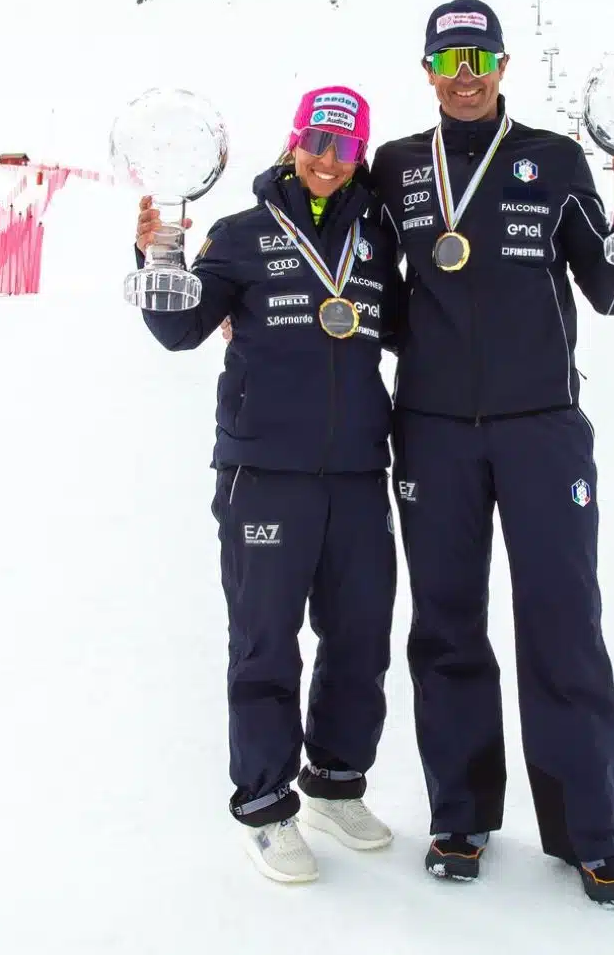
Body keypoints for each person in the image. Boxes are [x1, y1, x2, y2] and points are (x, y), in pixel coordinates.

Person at [365, 0, 614, 907]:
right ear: (427, 70)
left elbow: (606, 288)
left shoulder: (555, 158)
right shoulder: (394, 166)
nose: (464, 78)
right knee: (446, 625)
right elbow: (358, 270)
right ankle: (460, 815)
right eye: (447, 61)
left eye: (479, 60)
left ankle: (590, 834)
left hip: (542, 426)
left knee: (562, 624)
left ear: (503, 66)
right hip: (431, 430)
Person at [135, 85, 406, 885]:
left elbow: (415, 328)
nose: (327, 159)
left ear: (359, 155)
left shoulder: (378, 239)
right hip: (265, 473)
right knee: (265, 642)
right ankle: (264, 806)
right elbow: (181, 328)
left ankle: (335, 784)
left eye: (344, 147)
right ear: (293, 143)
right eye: (316, 141)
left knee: (360, 637)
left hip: (358, 471)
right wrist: (158, 259)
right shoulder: (242, 235)